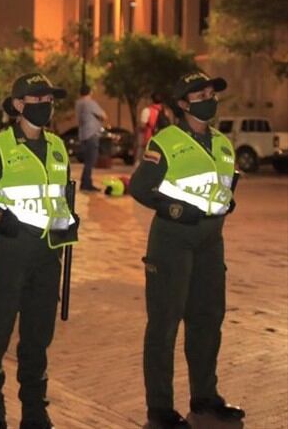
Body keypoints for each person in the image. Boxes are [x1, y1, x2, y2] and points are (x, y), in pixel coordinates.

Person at [0, 73, 79, 429]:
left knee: (37, 339)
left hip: (47, 258)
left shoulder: (58, 146)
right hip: (9, 257)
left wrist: (70, 220)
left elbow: (57, 199)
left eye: (49, 100)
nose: (45, 106)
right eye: (37, 100)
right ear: (17, 105)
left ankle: (34, 412)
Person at [129, 71, 245, 429]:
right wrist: (179, 210)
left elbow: (222, 185)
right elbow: (140, 188)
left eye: (212, 92)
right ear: (183, 103)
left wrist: (225, 201)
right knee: (164, 324)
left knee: (208, 320)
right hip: (173, 239)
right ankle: (160, 410)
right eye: (201, 93)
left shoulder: (223, 143)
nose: (209, 97)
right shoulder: (166, 141)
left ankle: (205, 397)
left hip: (211, 242)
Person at [75, 84, 107, 192]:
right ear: (90, 92)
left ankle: (85, 182)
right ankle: (86, 184)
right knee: (91, 160)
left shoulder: (78, 103)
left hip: (83, 134)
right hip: (92, 134)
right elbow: (104, 115)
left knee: (87, 161)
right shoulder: (90, 103)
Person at [137, 92, 172, 161]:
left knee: (148, 160)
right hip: (162, 140)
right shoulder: (166, 111)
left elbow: (142, 126)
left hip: (150, 139)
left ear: (151, 100)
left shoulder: (147, 111)